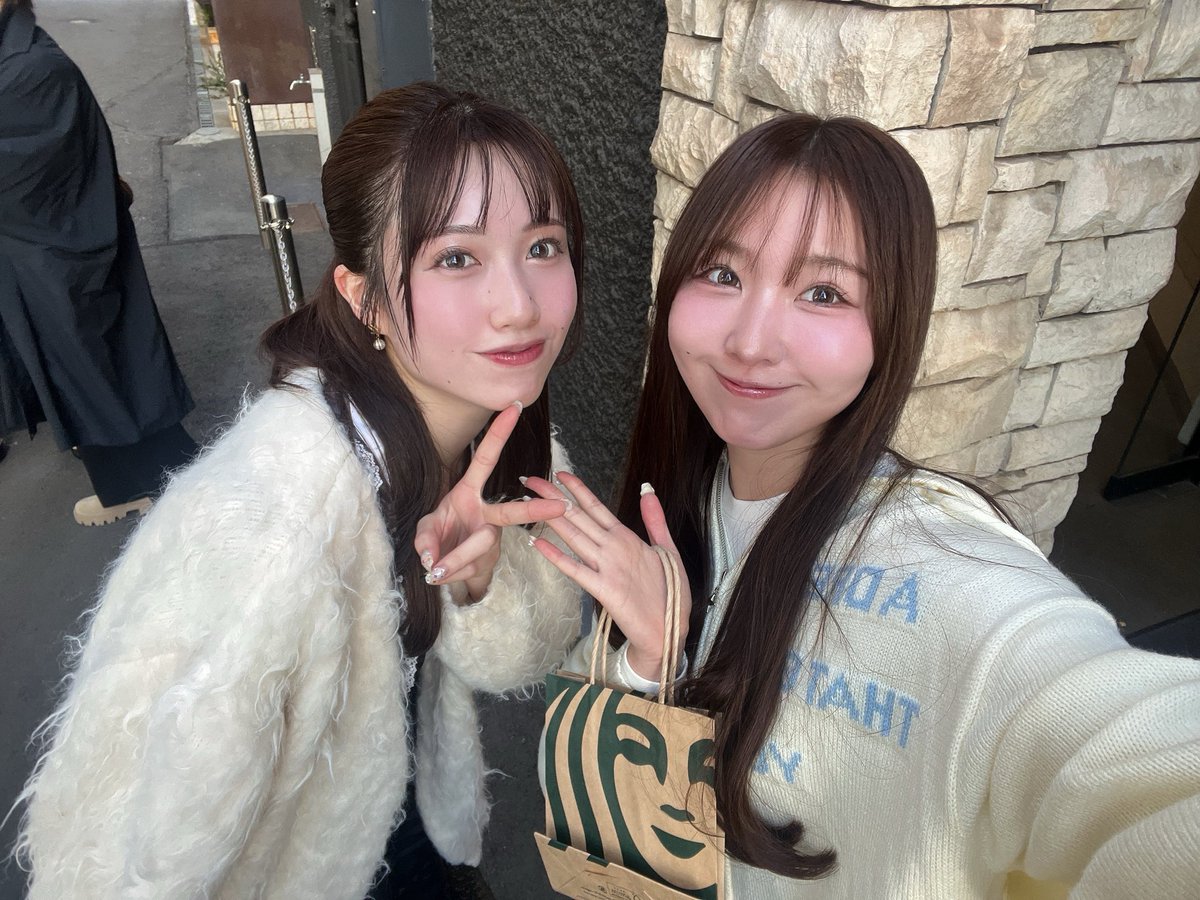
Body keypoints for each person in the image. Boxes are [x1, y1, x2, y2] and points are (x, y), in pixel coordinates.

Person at [525, 113, 1200, 898]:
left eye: (823, 292)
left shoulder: (949, 579)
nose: (750, 341)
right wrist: (650, 659)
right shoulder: (686, 498)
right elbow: (583, 794)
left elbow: (1124, 756)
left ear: (890, 327)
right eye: (722, 273)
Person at [14, 82, 584, 899]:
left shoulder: (502, 432)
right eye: (456, 258)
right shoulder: (271, 523)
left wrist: (476, 585)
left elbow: (522, 655)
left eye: (543, 246)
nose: (519, 305)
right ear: (364, 297)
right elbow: (115, 836)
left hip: (416, 835)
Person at [0, 0, 197, 525]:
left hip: (60, 256)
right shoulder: (16, 56)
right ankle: (142, 482)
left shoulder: (31, 69)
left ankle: (164, 486)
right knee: (86, 375)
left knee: (99, 370)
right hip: (45, 252)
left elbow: (21, 179)